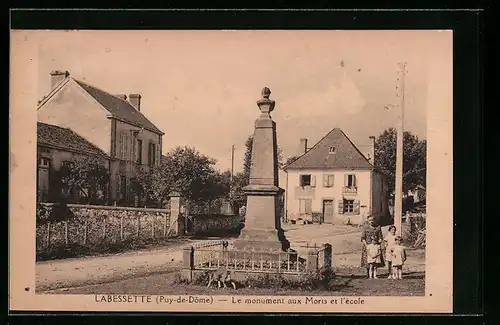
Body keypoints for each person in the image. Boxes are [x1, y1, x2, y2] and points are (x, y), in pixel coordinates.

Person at [361, 213, 385, 278]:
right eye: (369, 220)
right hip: (368, 245)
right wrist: (366, 245)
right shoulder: (365, 227)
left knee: (375, 260)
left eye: (372, 220)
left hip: (375, 246)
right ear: (367, 221)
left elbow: (380, 237)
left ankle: (374, 274)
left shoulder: (378, 227)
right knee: (368, 259)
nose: (371, 221)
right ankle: (368, 274)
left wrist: (379, 242)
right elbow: (363, 238)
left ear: (374, 220)